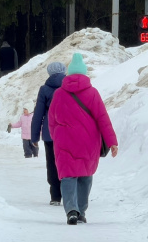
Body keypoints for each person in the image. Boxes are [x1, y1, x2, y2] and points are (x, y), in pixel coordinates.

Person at [48, 53, 119, 225]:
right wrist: (112, 142)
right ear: (84, 74)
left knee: (68, 176)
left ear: (69, 74)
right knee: (85, 175)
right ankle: (81, 210)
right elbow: (103, 119)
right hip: (88, 142)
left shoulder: (59, 94)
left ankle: (71, 210)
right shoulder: (92, 93)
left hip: (64, 141)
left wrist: (55, 137)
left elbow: (52, 120)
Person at [31, 61, 65, 206]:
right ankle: (68, 192)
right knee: (66, 161)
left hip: (49, 133)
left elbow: (38, 114)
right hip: (67, 132)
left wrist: (34, 136)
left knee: (52, 163)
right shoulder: (68, 87)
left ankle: (55, 196)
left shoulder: (44, 89)